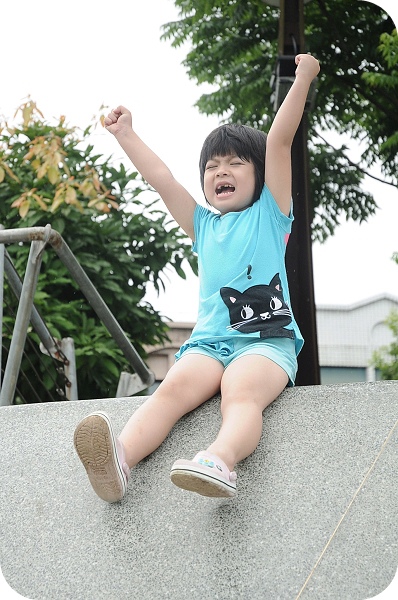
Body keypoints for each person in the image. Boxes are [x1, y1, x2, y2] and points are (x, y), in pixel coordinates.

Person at [74, 53, 320, 503]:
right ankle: (118, 460)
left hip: (265, 342)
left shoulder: (270, 212)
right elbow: (161, 178)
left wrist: (303, 78)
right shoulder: (203, 224)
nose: (220, 171)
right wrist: (125, 133)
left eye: (234, 163)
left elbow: (280, 141)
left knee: (239, 394)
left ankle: (220, 460)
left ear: (260, 175)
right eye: (211, 167)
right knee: (168, 393)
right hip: (208, 343)